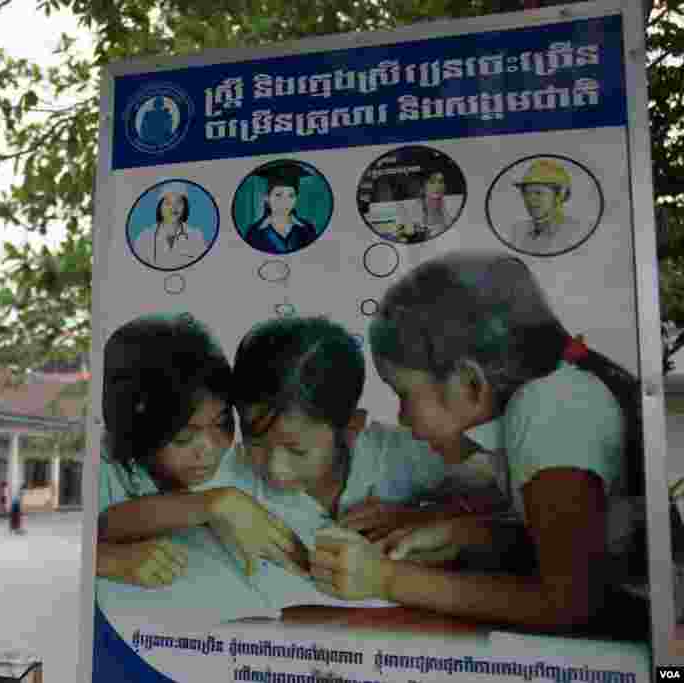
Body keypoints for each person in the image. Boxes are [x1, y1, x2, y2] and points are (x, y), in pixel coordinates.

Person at [312, 251, 645, 637]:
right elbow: (577, 542)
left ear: (470, 384)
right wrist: (464, 534)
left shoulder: (549, 409)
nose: (402, 417)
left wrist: (384, 579)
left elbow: (567, 602)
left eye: (403, 393)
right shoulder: (551, 395)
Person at [232, 315, 498, 555]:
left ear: (351, 427)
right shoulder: (235, 470)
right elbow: (193, 497)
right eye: (256, 442)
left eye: (297, 451)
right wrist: (215, 503)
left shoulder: (392, 453)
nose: (274, 469)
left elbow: (497, 482)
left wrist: (427, 514)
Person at [96, 312, 304, 588]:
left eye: (222, 424)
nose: (208, 450)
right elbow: (99, 526)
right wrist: (109, 559)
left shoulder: (241, 464)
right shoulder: (102, 466)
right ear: (136, 430)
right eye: (184, 436)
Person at [504, 159, 587, 255]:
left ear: (560, 195)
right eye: (527, 193)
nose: (530, 200)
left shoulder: (577, 232)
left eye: (538, 193)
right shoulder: (518, 231)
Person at [242, 162, 320, 255]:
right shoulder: (254, 233)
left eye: (291, 195)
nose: (285, 201)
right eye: (278, 195)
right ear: (267, 198)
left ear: (296, 199)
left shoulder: (307, 229)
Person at [132, 184, 209, 270]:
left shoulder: (196, 236)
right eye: (168, 203)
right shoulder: (144, 237)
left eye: (179, 202)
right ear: (160, 207)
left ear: (185, 206)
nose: (174, 208)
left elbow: (204, 268)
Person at [395, 168, 455, 242]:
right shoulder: (407, 207)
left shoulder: (443, 204)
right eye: (432, 182)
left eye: (440, 182)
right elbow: (401, 234)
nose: (438, 186)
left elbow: (450, 226)